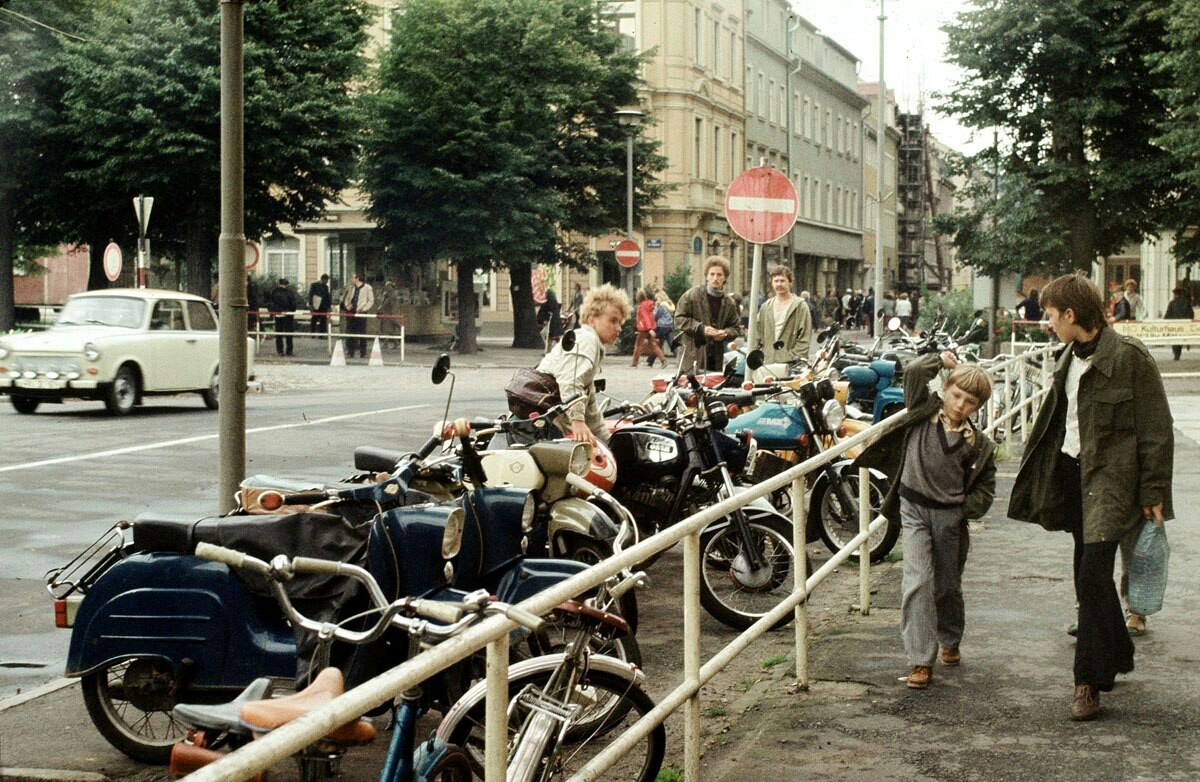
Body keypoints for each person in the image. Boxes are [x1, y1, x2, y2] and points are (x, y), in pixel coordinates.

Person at [1008, 274, 1174, 721]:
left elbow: (1157, 431)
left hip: (1114, 481)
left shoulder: (1131, 358)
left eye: (1050, 314)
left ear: (1071, 314)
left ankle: (1088, 683)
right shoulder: (1067, 358)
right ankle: (1117, 650)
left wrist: (1154, 490)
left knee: (1091, 574)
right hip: (1073, 476)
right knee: (1088, 570)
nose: (1047, 323)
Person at [854, 351, 996, 690]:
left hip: (949, 517)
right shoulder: (923, 411)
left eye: (970, 402)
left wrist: (965, 509)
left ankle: (950, 636)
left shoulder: (976, 444)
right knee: (917, 580)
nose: (960, 405)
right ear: (945, 390)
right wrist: (940, 360)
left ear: (977, 407)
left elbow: (986, 487)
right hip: (913, 508)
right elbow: (916, 371)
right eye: (957, 395)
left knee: (947, 585)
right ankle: (919, 659)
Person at [535, 284, 630, 444]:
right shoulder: (586, 339)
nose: (619, 328)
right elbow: (570, 381)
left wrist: (609, 444)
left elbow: (590, 409)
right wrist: (577, 421)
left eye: (620, 322)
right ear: (592, 320)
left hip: (545, 420)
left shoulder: (590, 342)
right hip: (544, 422)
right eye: (613, 321)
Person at [674, 256, 742, 371]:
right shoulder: (692, 295)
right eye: (712, 274)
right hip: (693, 353)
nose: (715, 278)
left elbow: (735, 327)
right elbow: (679, 319)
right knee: (691, 386)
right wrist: (700, 328)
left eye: (719, 275)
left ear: (725, 277)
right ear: (706, 276)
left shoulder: (729, 302)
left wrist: (724, 333)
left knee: (712, 384)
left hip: (715, 354)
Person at [753, 265, 812, 364]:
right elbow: (757, 335)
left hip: (791, 363)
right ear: (771, 283)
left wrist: (793, 357)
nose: (779, 284)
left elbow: (805, 337)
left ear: (790, 283)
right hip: (768, 362)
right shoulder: (766, 307)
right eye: (776, 281)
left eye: (782, 280)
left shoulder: (800, 306)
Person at [340, 272, 375, 358]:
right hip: (351, 311)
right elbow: (347, 298)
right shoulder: (351, 288)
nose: (351, 279)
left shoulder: (367, 288)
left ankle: (363, 352)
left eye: (353, 278)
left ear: (357, 278)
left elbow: (371, 300)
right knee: (350, 331)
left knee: (362, 332)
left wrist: (364, 309)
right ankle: (350, 351)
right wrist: (347, 306)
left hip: (361, 311)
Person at [630, 289, 667, 367]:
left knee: (638, 345)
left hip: (644, 328)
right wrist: (651, 328)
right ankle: (663, 360)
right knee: (653, 345)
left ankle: (634, 363)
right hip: (650, 327)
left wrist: (649, 328)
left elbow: (645, 317)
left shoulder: (642, 306)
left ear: (638, 297)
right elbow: (651, 317)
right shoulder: (648, 304)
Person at [268, 277, 300, 356]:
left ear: (279, 284)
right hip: (288, 315)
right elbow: (293, 304)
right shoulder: (290, 292)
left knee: (279, 334)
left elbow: (270, 303)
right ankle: (289, 351)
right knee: (289, 334)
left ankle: (280, 351)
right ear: (287, 284)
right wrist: (291, 311)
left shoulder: (274, 292)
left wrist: (275, 311)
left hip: (278, 314)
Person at [647, 290, 675, 368]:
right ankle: (650, 361)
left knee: (654, 343)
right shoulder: (670, 305)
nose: (656, 300)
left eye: (657, 299)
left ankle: (660, 361)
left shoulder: (662, 305)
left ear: (660, 298)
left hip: (662, 327)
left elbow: (655, 316)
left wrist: (656, 307)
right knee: (672, 345)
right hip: (669, 326)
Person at [1165, 286, 1193, 361]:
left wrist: (1164, 322)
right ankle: (1178, 354)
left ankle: (1176, 354)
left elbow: (1168, 313)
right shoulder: (1187, 302)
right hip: (1184, 324)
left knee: (1174, 339)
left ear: (1175, 294)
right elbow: (1191, 314)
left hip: (1173, 324)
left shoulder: (1172, 303)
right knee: (1180, 339)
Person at [377, 280, 404, 349]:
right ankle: (395, 342)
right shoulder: (389, 294)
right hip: (389, 313)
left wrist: (381, 308)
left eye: (387, 286)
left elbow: (386, 303)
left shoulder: (391, 295)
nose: (386, 287)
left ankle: (387, 343)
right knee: (390, 329)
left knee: (386, 329)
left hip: (389, 314)